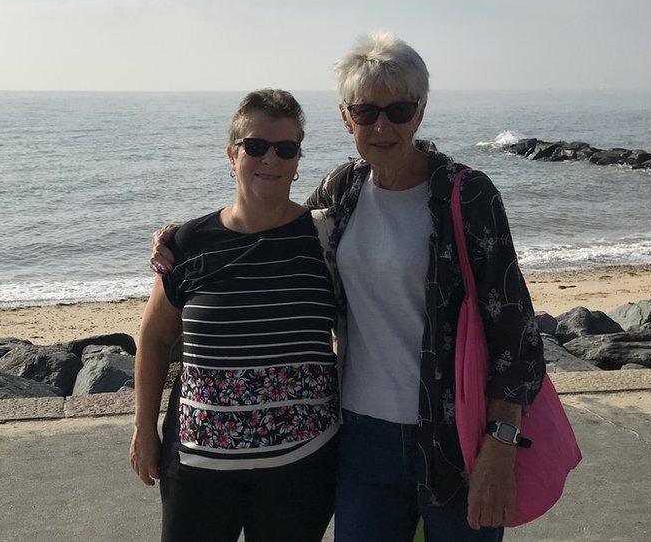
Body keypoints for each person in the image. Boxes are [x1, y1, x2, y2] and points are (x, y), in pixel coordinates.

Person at [151, 34, 546, 541]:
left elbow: (515, 329)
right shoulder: (345, 189)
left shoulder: (467, 195)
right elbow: (268, 221)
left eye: (398, 110)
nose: (382, 126)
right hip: (360, 437)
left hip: (457, 432)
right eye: (366, 112)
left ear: (420, 113)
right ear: (346, 118)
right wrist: (179, 239)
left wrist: (502, 442)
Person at [131, 89, 339, 542]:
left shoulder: (327, 239)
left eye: (285, 149)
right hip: (197, 467)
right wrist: (143, 428)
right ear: (232, 154)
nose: (270, 159)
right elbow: (154, 338)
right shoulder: (187, 244)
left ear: (298, 160)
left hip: (301, 467)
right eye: (255, 146)